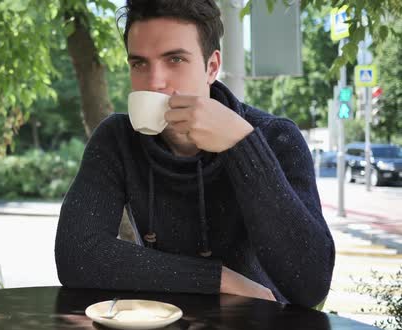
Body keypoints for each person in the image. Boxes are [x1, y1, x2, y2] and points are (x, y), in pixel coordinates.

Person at [54, 0, 335, 307]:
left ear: (212, 67)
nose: (155, 82)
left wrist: (242, 145)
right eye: (139, 64)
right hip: (158, 322)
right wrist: (218, 279)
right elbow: (77, 254)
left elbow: (311, 286)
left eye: (174, 59)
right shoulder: (118, 139)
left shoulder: (274, 136)